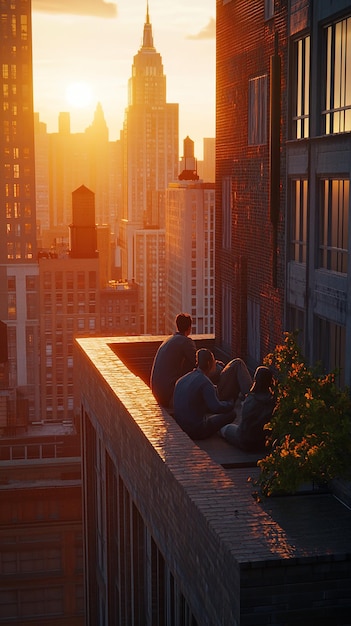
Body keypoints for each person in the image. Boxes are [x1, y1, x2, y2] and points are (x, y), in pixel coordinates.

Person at [173, 348, 236, 440]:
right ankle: (221, 431)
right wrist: (230, 403)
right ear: (209, 364)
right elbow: (216, 407)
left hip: (180, 428)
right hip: (197, 431)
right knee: (231, 414)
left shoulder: (182, 380)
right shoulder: (205, 382)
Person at [220, 366, 275, 452]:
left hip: (245, 441)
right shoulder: (273, 401)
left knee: (224, 428)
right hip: (262, 443)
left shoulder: (251, 399)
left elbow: (244, 422)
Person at [150, 313, 196, 408]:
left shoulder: (169, 340)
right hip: (168, 395)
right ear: (189, 327)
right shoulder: (185, 342)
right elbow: (198, 363)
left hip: (158, 393)